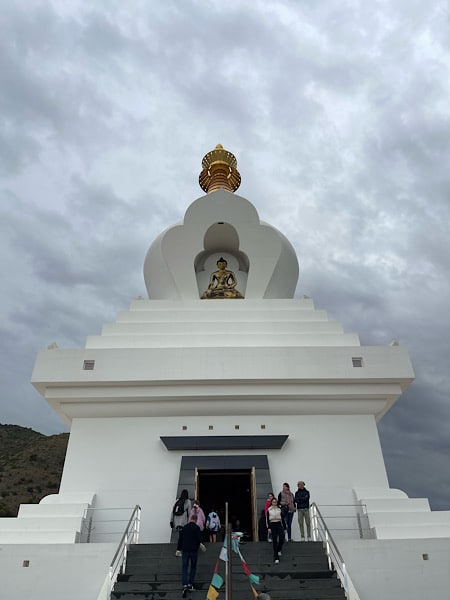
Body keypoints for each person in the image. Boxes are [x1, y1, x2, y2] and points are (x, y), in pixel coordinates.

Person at [179, 514, 204, 597]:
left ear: (190, 519)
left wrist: (178, 549)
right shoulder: (196, 528)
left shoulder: (185, 527)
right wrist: (201, 544)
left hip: (185, 550)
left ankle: (185, 585)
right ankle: (190, 584)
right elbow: (199, 538)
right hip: (193, 550)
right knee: (193, 567)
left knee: (184, 567)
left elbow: (180, 539)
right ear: (196, 520)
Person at [170, 489, 192, 557]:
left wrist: (171, 521)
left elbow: (172, 511)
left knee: (181, 535)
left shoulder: (177, 501)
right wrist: (190, 522)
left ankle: (180, 550)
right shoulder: (188, 501)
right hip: (183, 521)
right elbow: (189, 512)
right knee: (183, 536)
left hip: (177, 521)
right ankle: (178, 550)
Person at [266, 496, 286, 564]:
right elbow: (267, 519)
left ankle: (279, 549)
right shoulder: (269, 510)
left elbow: (282, 518)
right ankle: (276, 557)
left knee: (282, 538)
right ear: (271, 503)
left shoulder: (279, 509)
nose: (274, 503)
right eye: (273, 502)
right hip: (272, 524)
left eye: (275, 502)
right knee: (274, 541)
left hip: (278, 523)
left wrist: (285, 527)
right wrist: (268, 527)